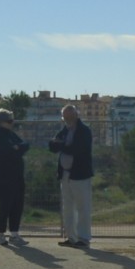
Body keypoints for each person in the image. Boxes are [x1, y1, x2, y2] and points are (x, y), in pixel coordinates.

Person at [48, 104, 93, 247]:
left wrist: (61, 145)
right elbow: (52, 146)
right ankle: (71, 237)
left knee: (82, 207)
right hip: (65, 174)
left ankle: (83, 238)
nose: (68, 119)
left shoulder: (84, 131)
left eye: (70, 116)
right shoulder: (64, 131)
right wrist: (60, 144)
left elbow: (77, 149)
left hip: (80, 174)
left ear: (76, 115)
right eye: (65, 117)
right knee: (67, 207)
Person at [0, 108, 30, 246]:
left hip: (17, 175)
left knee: (17, 205)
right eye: (9, 121)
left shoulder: (11, 134)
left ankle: (14, 234)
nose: (12, 123)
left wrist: (17, 147)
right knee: (5, 205)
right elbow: (8, 152)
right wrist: (16, 149)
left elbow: (25, 145)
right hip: (4, 176)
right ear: (1, 122)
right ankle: (0, 234)